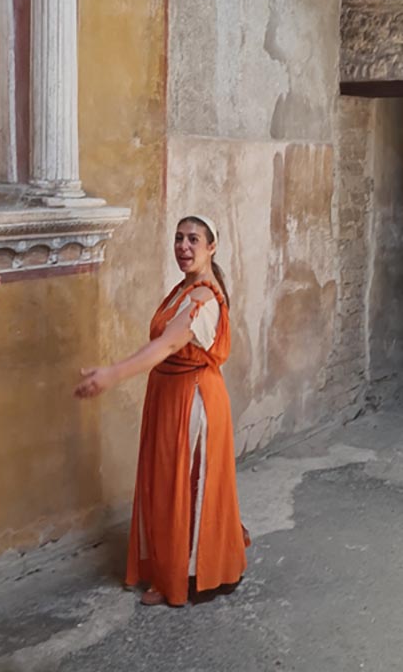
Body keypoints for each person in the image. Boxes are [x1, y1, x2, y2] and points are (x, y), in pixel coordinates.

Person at [75, 214, 249, 607]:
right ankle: (170, 564)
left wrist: (114, 374)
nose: (183, 247)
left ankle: (186, 575)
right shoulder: (183, 289)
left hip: (194, 399)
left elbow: (169, 345)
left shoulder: (203, 297)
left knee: (187, 484)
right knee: (166, 481)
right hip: (169, 395)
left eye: (193, 240)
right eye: (178, 239)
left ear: (211, 247)